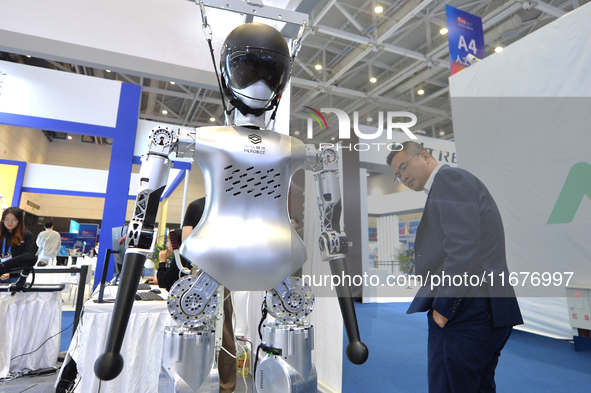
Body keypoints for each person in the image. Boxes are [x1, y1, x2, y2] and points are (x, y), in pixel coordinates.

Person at [386, 141, 523, 393]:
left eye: (404, 166)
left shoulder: (449, 180)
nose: (402, 176)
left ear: (425, 156)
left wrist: (444, 307)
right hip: (486, 308)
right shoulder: (453, 182)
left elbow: (462, 249)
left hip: (467, 310)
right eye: (397, 174)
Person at [183, 196, 236, 393]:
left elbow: (186, 244)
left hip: (200, 274)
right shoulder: (231, 204)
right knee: (225, 329)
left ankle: (197, 382)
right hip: (224, 272)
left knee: (196, 328)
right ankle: (226, 386)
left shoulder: (196, 205)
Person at [0, 207, 36, 285]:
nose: (10, 222)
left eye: (14, 219)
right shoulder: (1, 235)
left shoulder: (26, 235)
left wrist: (11, 273)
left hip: (15, 277)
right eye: (6, 219)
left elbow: (27, 258)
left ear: (19, 220)